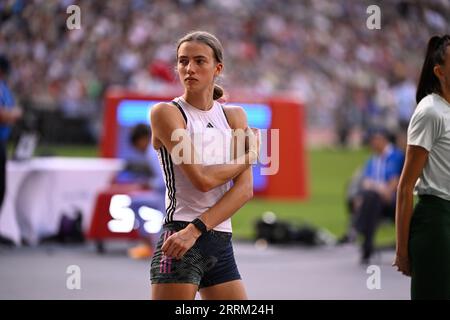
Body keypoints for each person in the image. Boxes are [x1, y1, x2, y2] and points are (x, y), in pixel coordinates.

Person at [149, 31, 259, 300]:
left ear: (217, 68)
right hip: (180, 236)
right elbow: (202, 179)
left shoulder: (234, 116)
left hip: (218, 240)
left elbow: (244, 190)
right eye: (183, 61)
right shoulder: (167, 113)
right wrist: (250, 155)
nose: (189, 69)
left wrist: (198, 230)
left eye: (200, 61)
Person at [393, 35, 450, 299]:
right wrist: (402, 251)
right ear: (439, 72)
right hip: (437, 222)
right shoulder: (430, 112)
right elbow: (405, 186)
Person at [349, 128, 404, 263]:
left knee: (369, 199)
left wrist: (378, 189)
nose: (372, 144)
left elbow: (395, 182)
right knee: (371, 200)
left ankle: (358, 228)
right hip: (376, 200)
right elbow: (366, 182)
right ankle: (365, 243)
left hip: (393, 200)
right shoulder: (372, 159)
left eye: (374, 140)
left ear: (382, 140)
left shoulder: (396, 156)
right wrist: (378, 189)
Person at [127, 123, 166, 259]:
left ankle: (149, 244)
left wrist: (148, 184)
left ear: (142, 139)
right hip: (168, 194)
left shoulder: (152, 151)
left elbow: (163, 180)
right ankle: (151, 245)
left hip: (166, 194)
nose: (138, 150)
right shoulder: (158, 147)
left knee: (134, 202)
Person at [0, 55, 22, 245]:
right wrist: (13, 114)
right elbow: (4, 114)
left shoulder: (4, 88)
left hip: (3, 141)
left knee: (1, 188)